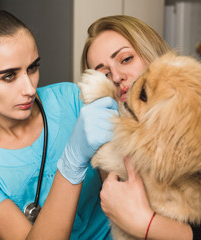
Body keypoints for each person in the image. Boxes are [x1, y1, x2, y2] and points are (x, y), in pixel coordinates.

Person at [0, 10, 118, 239]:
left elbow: (122, 192)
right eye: (9, 76)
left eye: (33, 68)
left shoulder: (72, 99)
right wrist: (72, 164)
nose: (29, 89)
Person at [80, 15, 201, 240]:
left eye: (125, 59)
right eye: (105, 74)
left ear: (152, 52)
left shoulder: (191, 115)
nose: (116, 77)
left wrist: (147, 225)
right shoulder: (105, 134)